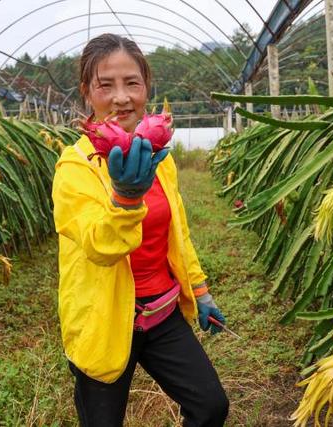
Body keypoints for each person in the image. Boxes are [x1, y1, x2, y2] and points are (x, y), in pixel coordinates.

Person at [51, 33, 230, 427]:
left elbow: (177, 232)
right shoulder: (74, 168)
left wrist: (199, 291)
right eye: (105, 85)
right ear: (87, 93)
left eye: (132, 83)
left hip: (162, 314)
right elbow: (99, 245)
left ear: (147, 86)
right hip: (105, 319)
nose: (121, 98)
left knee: (210, 407)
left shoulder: (158, 156)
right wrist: (126, 199)